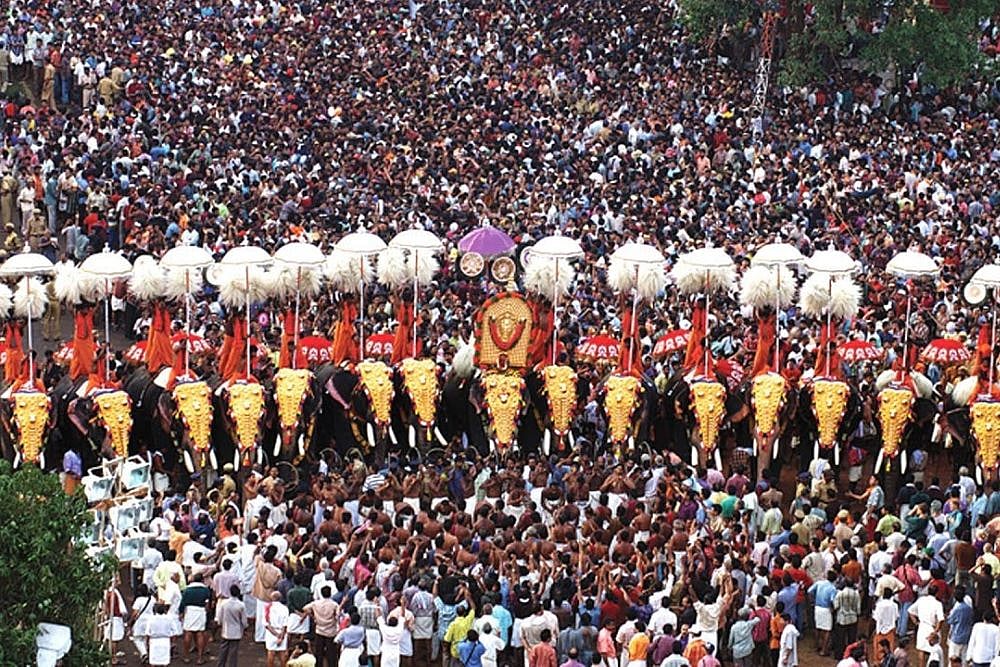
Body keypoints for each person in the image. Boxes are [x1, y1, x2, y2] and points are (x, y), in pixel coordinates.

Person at [179, 572, 213, 664]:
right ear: (202, 580)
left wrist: (181, 612)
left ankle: (186, 656)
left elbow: (182, 603)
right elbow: (208, 603)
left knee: (188, 633)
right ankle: (200, 658)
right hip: (200, 611)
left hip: (189, 611)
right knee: (200, 633)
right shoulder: (205, 590)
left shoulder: (187, 590)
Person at [264, 591, 290, 667]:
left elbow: (266, 624)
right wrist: (281, 636)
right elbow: (285, 624)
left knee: (271, 652)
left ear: (272, 598)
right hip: (282, 631)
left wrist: (276, 634)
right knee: (282, 653)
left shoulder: (267, 608)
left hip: (271, 633)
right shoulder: (284, 608)